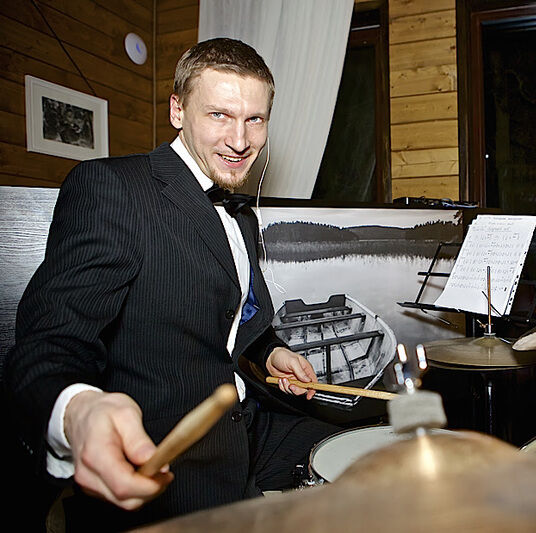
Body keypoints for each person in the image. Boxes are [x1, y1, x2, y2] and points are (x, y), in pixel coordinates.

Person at [4, 38, 337, 531]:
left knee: (374, 452)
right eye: (219, 115)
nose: (240, 140)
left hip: (250, 425)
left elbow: (232, 314)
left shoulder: (241, 217)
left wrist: (269, 351)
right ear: (178, 111)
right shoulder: (114, 188)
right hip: (170, 454)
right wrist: (78, 411)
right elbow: (50, 340)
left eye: (255, 119)